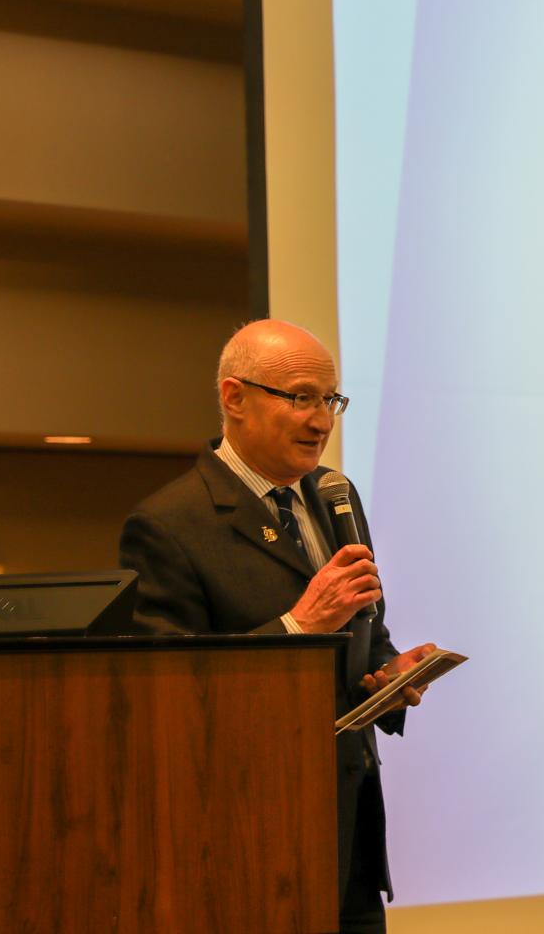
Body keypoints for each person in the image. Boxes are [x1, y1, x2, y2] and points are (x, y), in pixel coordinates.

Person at [119, 319, 432, 933]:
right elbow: (167, 698)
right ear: (234, 398)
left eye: (330, 400)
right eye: (301, 398)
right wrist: (297, 626)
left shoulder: (336, 496)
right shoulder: (168, 525)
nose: (321, 421)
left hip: (351, 844)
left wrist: (388, 677)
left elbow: (366, 625)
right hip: (245, 844)